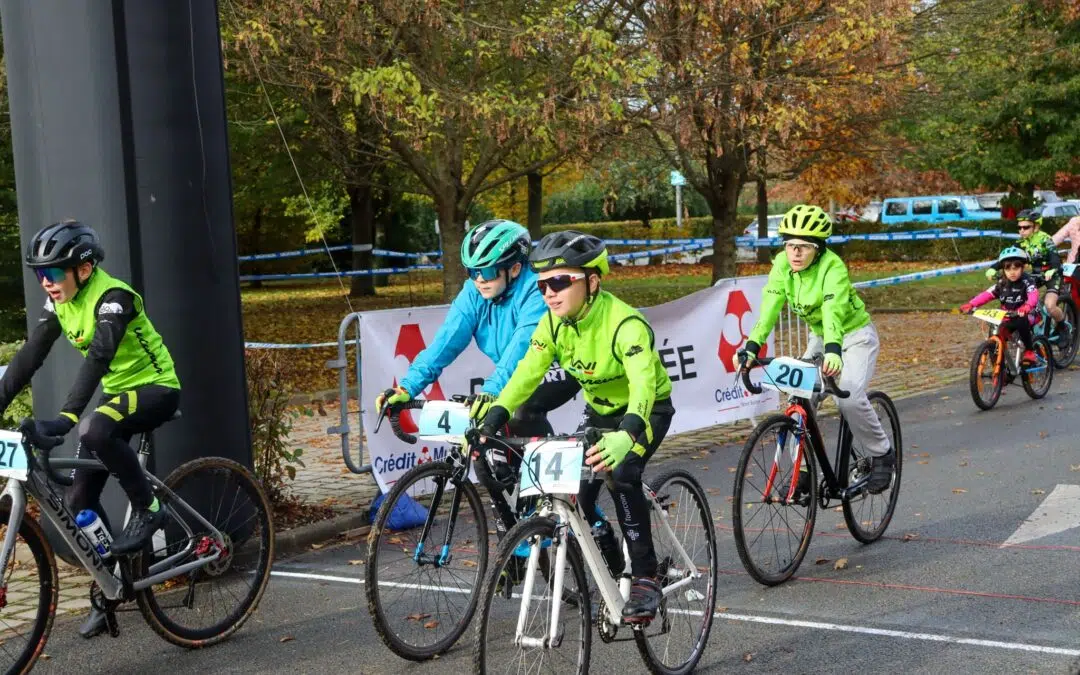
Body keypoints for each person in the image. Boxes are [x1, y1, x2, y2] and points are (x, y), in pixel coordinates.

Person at [477, 230, 675, 622]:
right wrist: (495, 416)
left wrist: (629, 433)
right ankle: (616, 572)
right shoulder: (553, 324)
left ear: (593, 281)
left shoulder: (625, 323)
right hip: (600, 414)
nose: (549, 293)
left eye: (560, 282)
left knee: (622, 473)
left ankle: (646, 576)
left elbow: (643, 384)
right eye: (542, 285)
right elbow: (526, 374)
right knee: (579, 495)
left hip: (646, 411)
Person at [0, 220, 181, 637]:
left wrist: (66, 418)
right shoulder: (61, 301)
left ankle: (151, 510)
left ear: (83, 269)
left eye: (53, 273)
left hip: (156, 388)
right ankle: (112, 583)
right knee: (78, 498)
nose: (46, 283)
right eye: (39, 275)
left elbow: (99, 356)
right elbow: (30, 355)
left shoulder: (114, 298)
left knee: (93, 430)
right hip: (117, 394)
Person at [374, 220, 579, 479]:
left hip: (560, 365)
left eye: (489, 271)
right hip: (518, 370)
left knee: (522, 409)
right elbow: (443, 345)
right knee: (489, 448)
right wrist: (407, 388)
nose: (480, 279)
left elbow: (520, 349)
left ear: (515, 268)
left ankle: (547, 486)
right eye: (472, 271)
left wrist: (492, 391)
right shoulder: (473, 293)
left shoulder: (535, 290)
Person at [735, 204, 895, 494]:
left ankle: (882, 453)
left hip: (854, 335)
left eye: (804, 247)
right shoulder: (782, 265)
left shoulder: (833, 268)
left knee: (849, 399)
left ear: (818, 249)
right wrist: (751, 347)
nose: (795, 253)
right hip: (821, 336)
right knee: (799, 398)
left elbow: (834, 312)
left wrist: (834, 351)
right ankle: (804, 471)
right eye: (790, 245)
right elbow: (768, 310)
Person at [1000, 209, 1072, 343]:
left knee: (1050, 305)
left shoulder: (1045, 239)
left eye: (1026, 227)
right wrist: (993, 268)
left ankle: (1063, 327)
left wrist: (1053, 269)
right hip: (1036, 274)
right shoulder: (1021, 242)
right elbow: (1009, 258)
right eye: (1019, 228)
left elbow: (1055, 257)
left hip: (1052, 274)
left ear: (1036, 227)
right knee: (1019, 297)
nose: (1022, 231)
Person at [962, 247, 1040, 363]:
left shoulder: (1027, 281)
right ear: (1003, 269)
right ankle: (999, 366)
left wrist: (1027, 306)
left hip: (1028, 314)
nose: (1012, 272)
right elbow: (987, 294)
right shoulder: (1002, 283)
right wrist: (971, 304)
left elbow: (1033, 294)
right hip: (1008, 315)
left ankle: (1029, 350)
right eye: (1008, 269)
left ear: (1022, 268)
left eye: (1016, 268)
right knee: (996, 331)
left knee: (1021, 320)